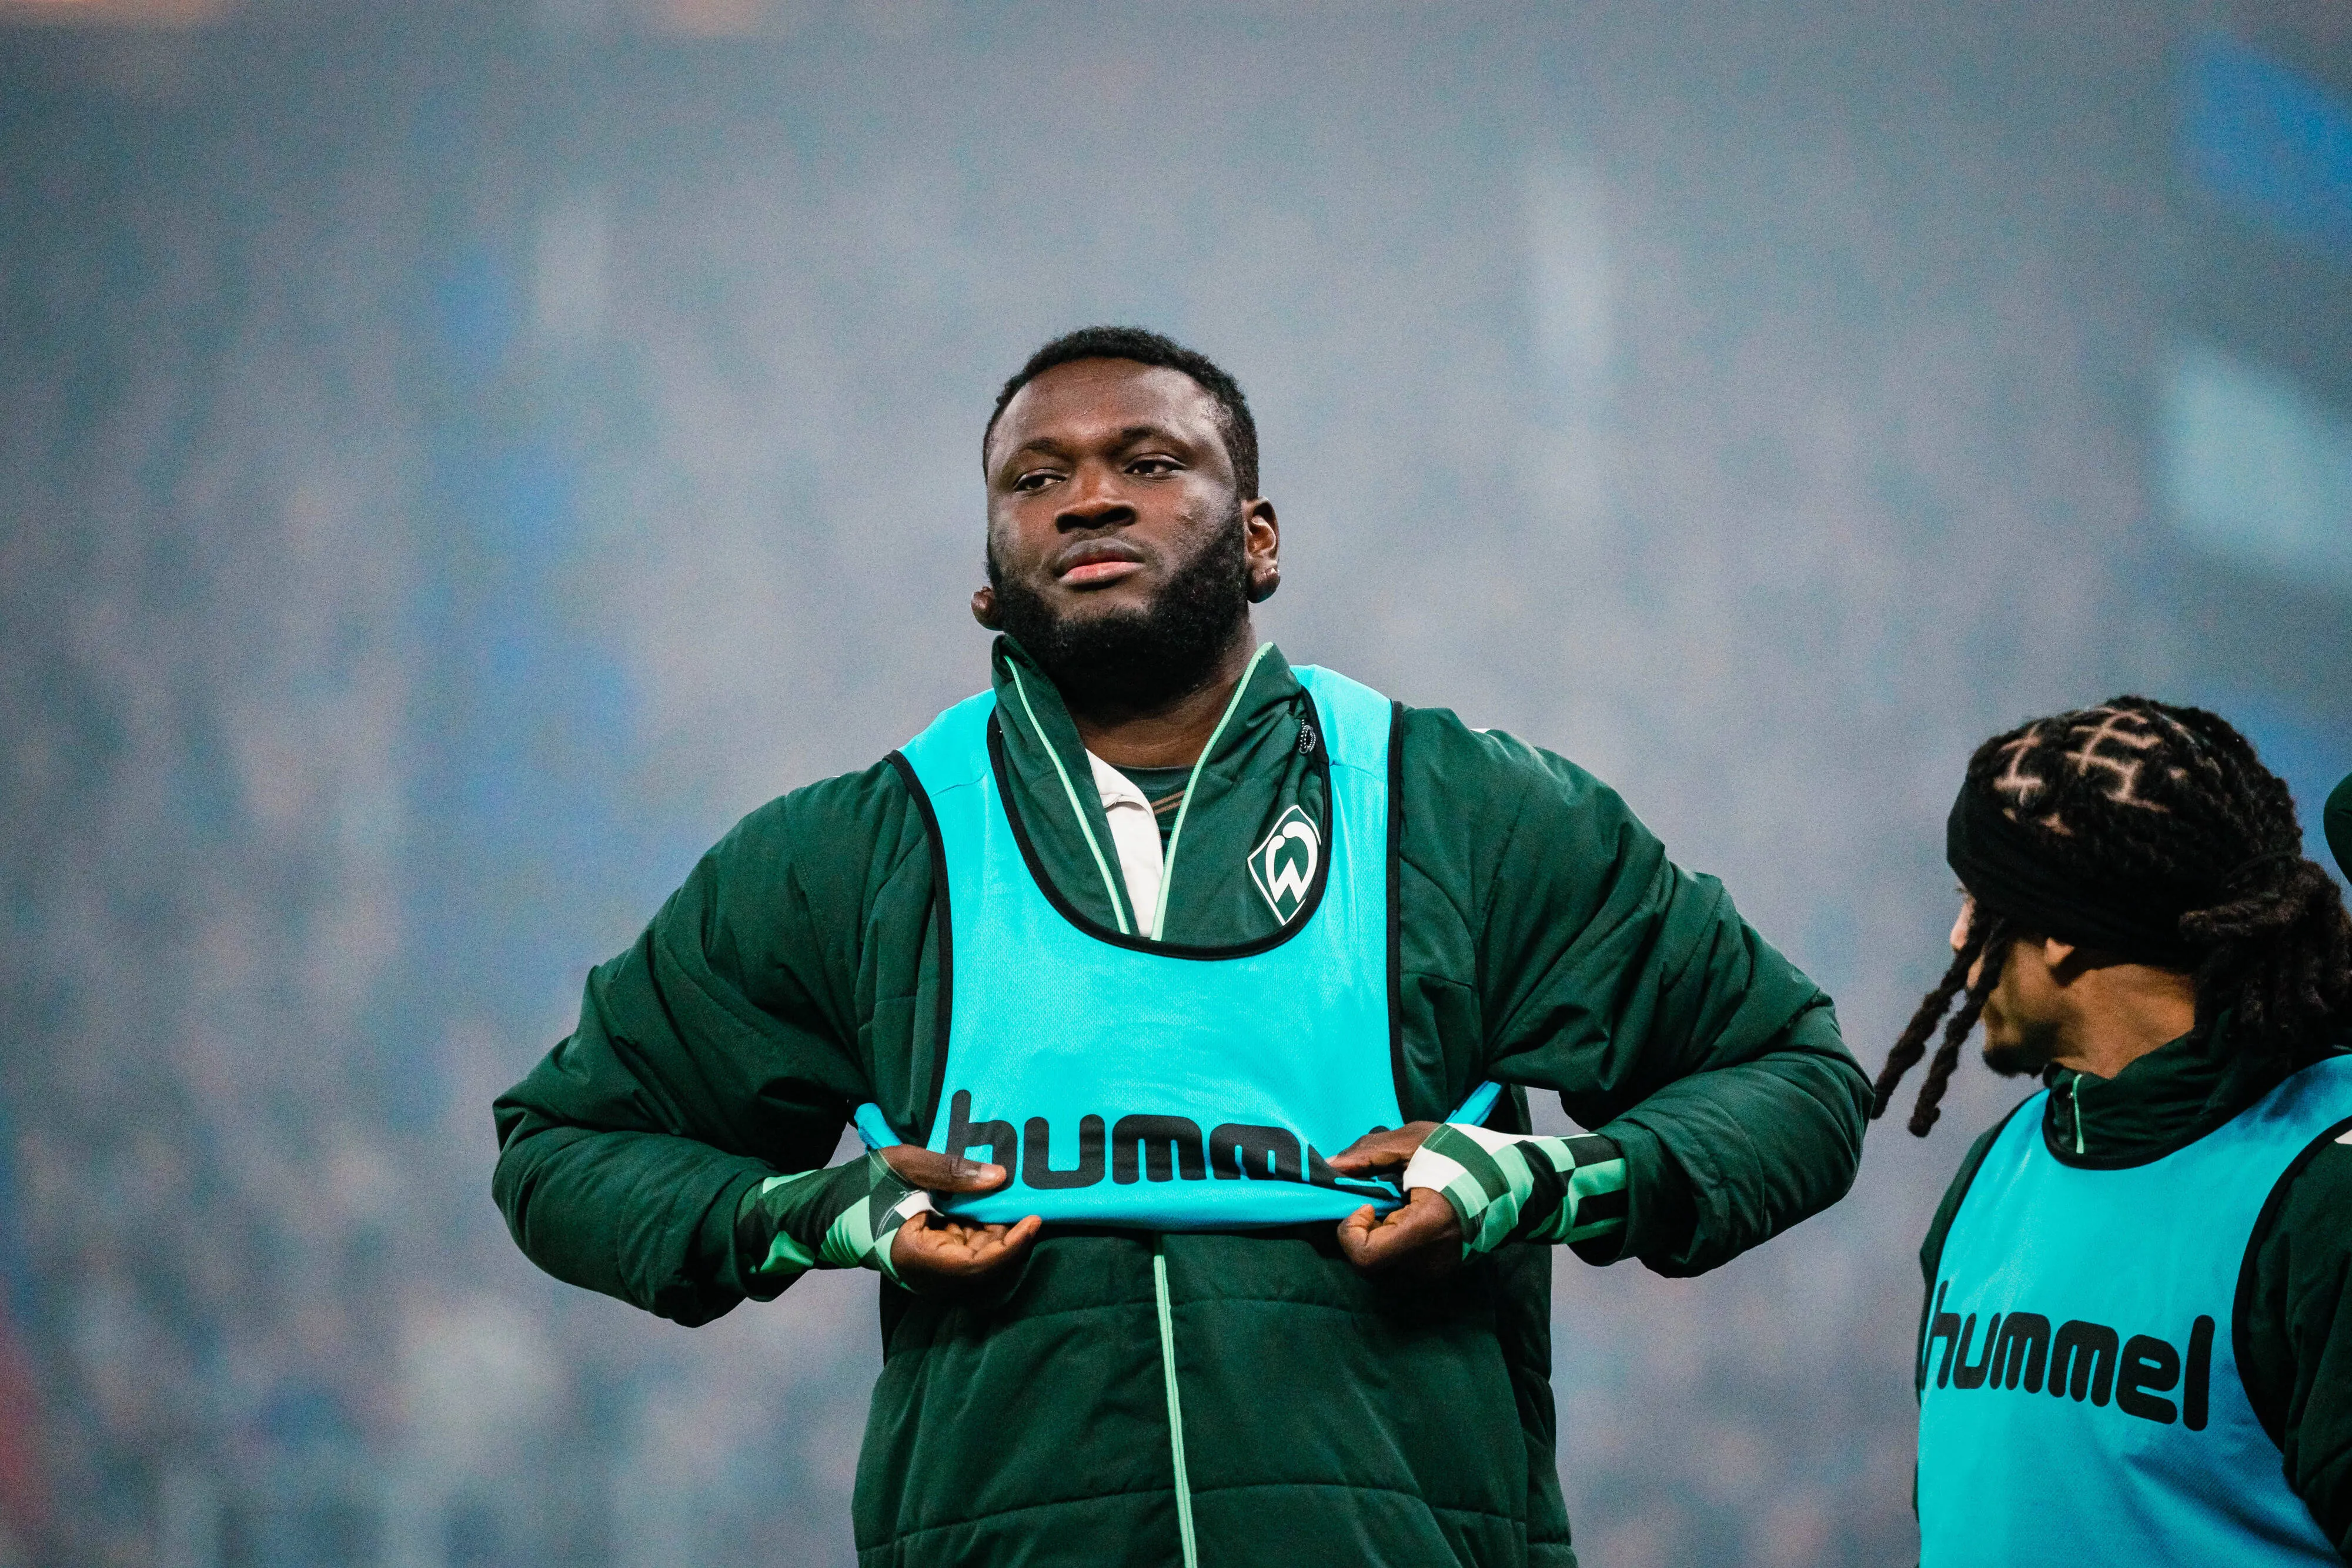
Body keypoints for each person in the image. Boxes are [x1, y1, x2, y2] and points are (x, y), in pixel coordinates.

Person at [492, 325, 1870, 1567]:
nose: (1086, 494)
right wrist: (802, 1214)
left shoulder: (1463, 807)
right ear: (987, 583)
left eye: (1148, 461)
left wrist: (1542, 1177)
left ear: (1259, 538)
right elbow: (563, 1148)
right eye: (1034, 480)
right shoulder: (851, 852)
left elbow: (1792, 1076)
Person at [1877, 703, 2352, 1566]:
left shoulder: (2325, 1189)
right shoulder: (2000, 1167)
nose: (1956, 938)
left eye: (1978, 903)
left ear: (2059, 935)